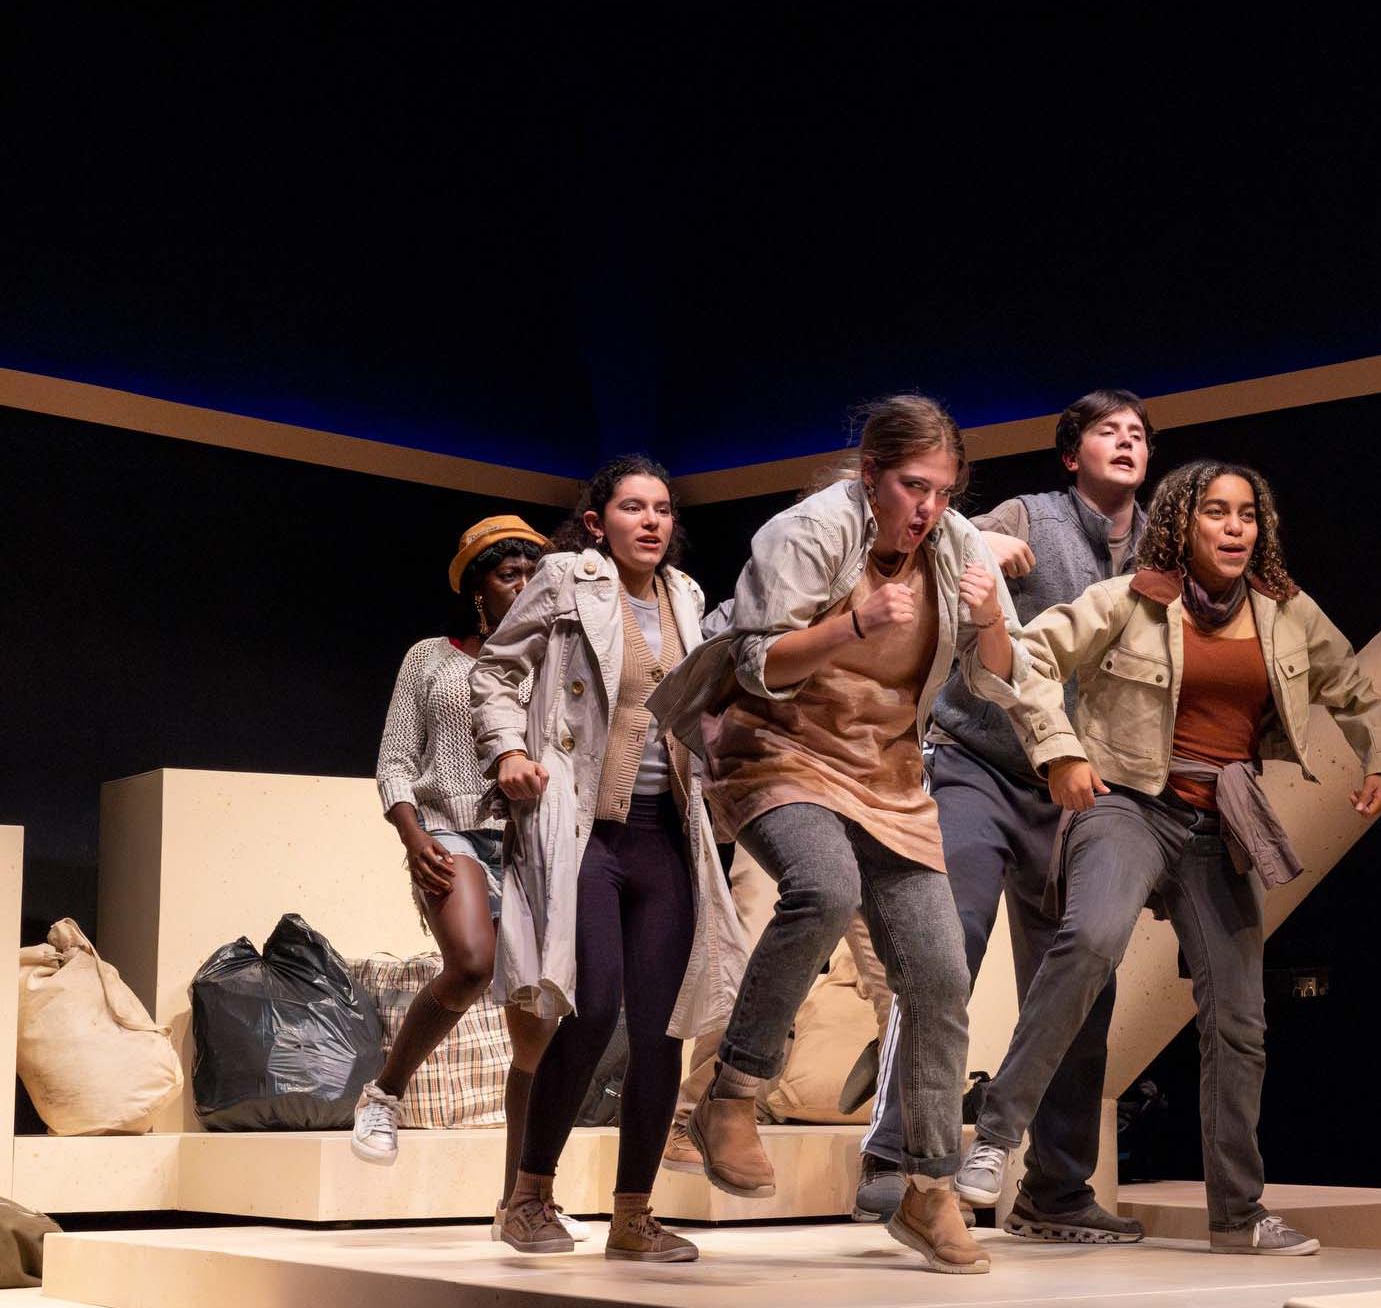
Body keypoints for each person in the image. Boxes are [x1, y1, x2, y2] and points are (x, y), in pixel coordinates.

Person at [953, 460, 1381, 1257]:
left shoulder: (1286, 611)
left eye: (1248, 515)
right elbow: (1022, 662)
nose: (1237, 528)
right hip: (1128, 803)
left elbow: (1351, 685)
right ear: (1181, 523)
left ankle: (1238, 1215)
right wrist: (1059, 750)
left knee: (1240, 1019)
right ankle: (995, 1135)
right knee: (1090, 941)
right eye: (1217, 513)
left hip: (1218, 823)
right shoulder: (1128, 600)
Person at [649, 393, 1060, 1275]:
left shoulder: (952, 548)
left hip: (888, 776)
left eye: (945, 491)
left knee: (941, 976)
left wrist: (989, 615)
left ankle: (926, 1188)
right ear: (870, 475)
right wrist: (853, 626)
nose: (929, 509)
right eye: (914, 486)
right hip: (777, 749)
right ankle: (732, 1095)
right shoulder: (803, 533)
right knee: (824, 888)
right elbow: (758, 662)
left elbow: (1001, 681)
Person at [856, 389, 1154, 1243]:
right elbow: (938, 538)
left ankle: (1055, 1191)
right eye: (1108, 431)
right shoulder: (1033, 511)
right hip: (980, 761)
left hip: (1081, 787)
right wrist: (977, 540)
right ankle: (896, 1154)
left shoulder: (1154, 544)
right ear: (1072, 454)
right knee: (947, 942)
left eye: (1139, 434)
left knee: (1079, 981)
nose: (1128, 442)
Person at [474, 455, 748, 1262]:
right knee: (590, 1009)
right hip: (586, 828)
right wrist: (505, 755)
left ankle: (634, 1214)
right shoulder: (564, 580)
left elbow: (700, 704)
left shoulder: (689, 597)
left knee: (664, 1027)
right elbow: (496, 671)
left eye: (663, 509)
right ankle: (528, 1195)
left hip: (666, 832)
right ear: (600, 523)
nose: (652, 522)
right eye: (634, 508)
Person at [356, 516, 579, 1237]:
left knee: (536, 1033)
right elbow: (395, 757)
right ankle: (385, 1094)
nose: (523, 587)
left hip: (531, 843)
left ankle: (522, 1201)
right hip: (446, 830)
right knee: (473, 964)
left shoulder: (551, 664)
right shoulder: (432, 658)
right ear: (478, 587)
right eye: (508, 574)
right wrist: (412, 831)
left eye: (532, 575)